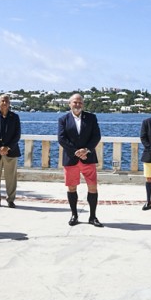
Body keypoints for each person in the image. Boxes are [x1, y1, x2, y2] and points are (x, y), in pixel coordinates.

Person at [57, 93, 103, 227]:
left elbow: (96, 136)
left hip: (88, 157)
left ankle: (92, 217)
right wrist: (76, 152)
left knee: (93, 187)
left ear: (83, 104)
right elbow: (61, 138)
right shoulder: (63, 119)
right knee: (71, 188)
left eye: (80, 102)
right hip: (71, 159)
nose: (77, 105)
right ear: (69, 104)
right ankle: (74, 215)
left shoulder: (91, 118)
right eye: (75, 102)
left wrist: (86, 150)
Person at [0, 94, 21, 209]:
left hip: (11, 152)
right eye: (2, 101)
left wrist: (7, 147)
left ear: (9, 103)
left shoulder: (15, 117)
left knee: (11, 178)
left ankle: (11, 200)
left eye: (6, 101)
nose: (4, 103)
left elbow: (17, 135)